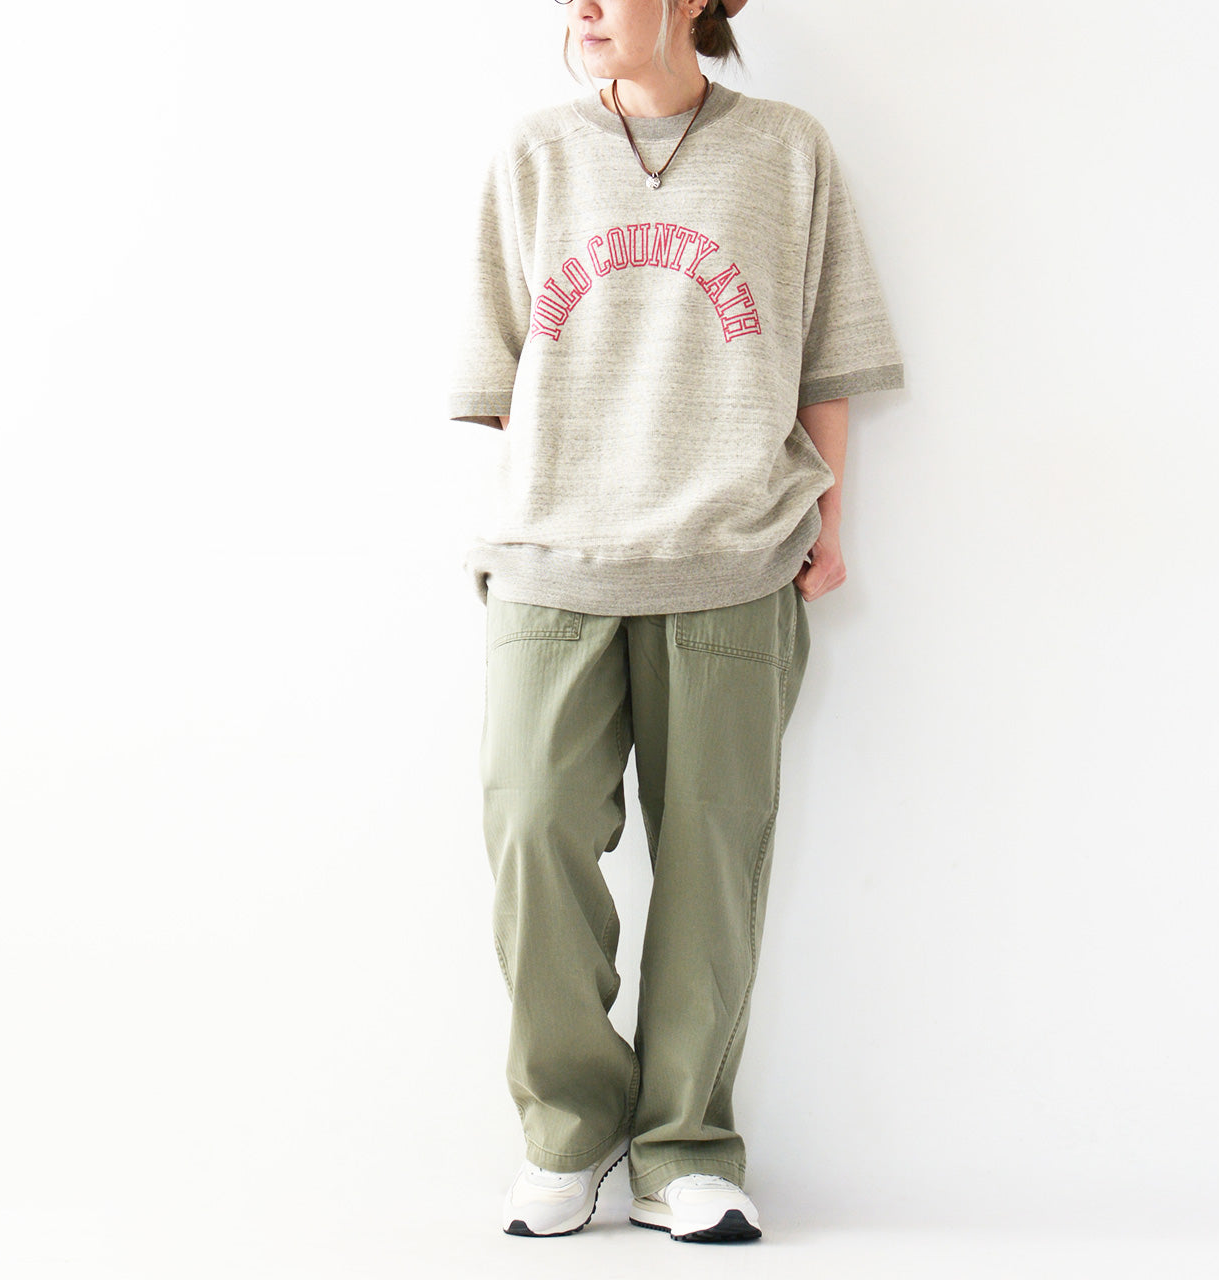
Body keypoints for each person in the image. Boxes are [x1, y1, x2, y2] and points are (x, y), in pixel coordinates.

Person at [446, 0, 904, 1244]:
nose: (583, 8)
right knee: (531, 824)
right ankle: (567, 1128)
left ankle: (684, 1148)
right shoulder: (533, 152)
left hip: (731, 554)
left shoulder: (786, 149)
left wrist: (830, 521)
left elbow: (826, 357)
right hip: (552, 559)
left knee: (711, 857)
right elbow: (502, 376)